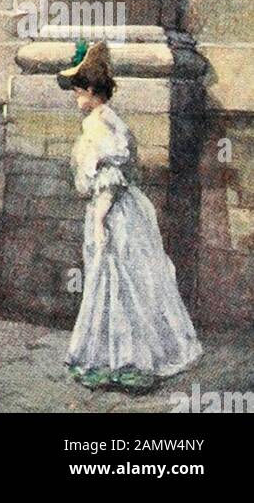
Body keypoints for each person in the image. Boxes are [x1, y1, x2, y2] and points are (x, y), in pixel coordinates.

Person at [58, 40, 202, 391]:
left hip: (113, 215)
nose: (76, 97)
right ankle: (116, 358)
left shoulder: (98, 124)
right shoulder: (108, 119)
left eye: (78, 90)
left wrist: (99, 220)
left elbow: (109, 178)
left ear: (92, 90)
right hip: (125, 212)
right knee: (124, 284)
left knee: (114, 284)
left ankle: (123, 361)